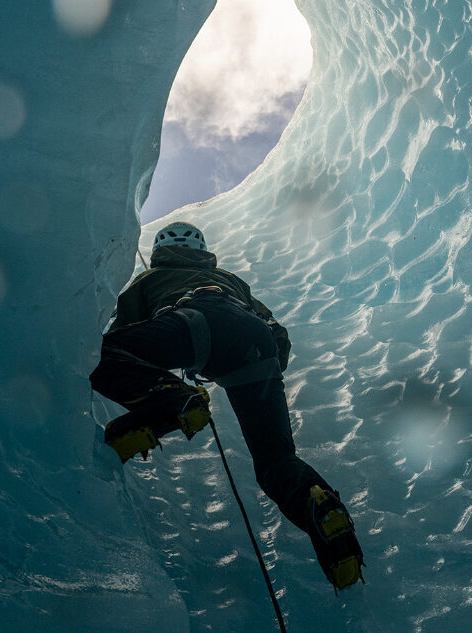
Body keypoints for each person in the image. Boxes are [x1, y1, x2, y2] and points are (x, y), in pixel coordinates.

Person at [89, 221, 364, 591]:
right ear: (202, 249)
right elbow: (277, 334)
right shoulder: (230, 279)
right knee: (275, 461)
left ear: (158, 252)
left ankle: (171, 400)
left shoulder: (148, 280)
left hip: (192, 319)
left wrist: (189, 356)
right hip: (255, 343)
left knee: (97, 355)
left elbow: (123, 335)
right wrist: (256, 373)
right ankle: (332, 531)